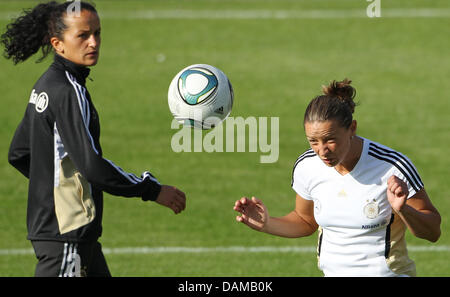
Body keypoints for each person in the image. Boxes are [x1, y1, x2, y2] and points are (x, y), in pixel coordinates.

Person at [2, 1, 186, 277]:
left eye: (97, 33)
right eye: (83, 35)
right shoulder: (68, 91)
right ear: (58, 43)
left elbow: (18, 153)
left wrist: (58, 188)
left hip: (71, 237)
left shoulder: (45, 86)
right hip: (67, 238)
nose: (93, 43)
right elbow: (92, 167)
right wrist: (152, 190)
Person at [233, 78, 441, 277]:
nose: (322, 150)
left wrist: (403, 209)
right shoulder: (307, 166)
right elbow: (306, 221)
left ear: (352, 128)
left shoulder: (392, 166)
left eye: (330, 140)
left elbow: (433, 232)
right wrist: (267, 224)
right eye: (313, 141)